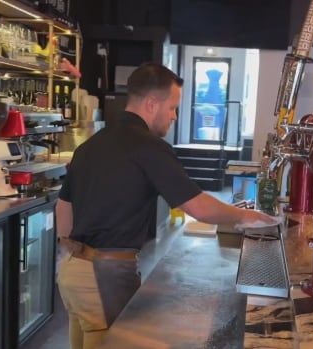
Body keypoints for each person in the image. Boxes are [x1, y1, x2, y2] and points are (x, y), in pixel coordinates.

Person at [56, 62, 275, 349]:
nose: (174, 116)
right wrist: (249, 217)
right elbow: (199, 207)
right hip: (103, 275)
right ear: (151, 104)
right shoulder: (148, 146)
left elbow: (63, 207)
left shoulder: (91, 145)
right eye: (172, 107)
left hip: (72, 273)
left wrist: (74, 252)